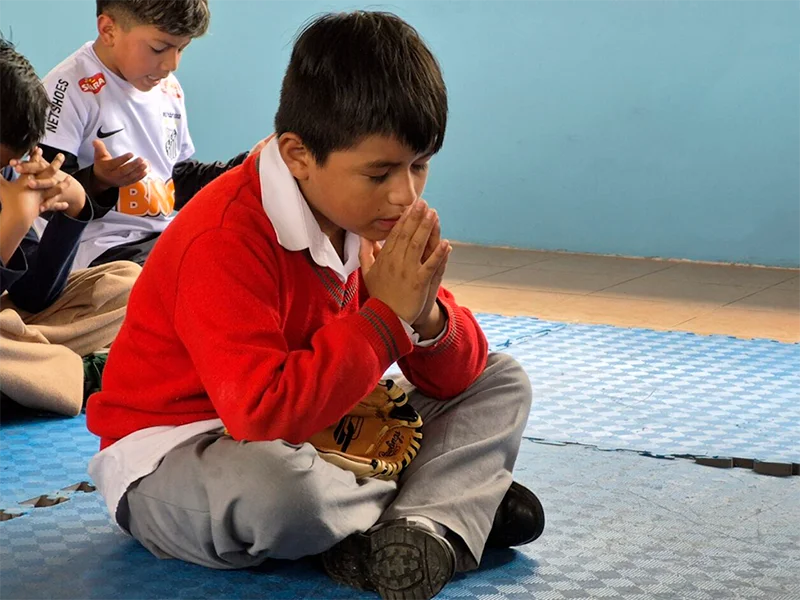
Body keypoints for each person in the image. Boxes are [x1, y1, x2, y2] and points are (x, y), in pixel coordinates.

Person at [86, 12, 544, 600]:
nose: (405, 194)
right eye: (379, 172)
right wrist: (385, 322)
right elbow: (261, 414)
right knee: (282, 496)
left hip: (320, 429)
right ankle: (450, 504)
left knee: (500, 378)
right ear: (299, 155)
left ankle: (419, 526)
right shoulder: (224, 236)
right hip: (184, 454)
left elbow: (457, 374)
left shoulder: (371, 214)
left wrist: (423, 316)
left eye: (419, 166)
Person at [39, 0, 266, 269]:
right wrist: (98, 181)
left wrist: (248, 165)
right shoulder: (66, 87)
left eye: (182, 48)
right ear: (108, 30)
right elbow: (46, 197)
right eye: (159, 48)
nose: (172, 64)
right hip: (100, 250)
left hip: (160, 240)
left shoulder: (169, 88)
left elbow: (174, 180)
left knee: (248, 257)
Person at [0, 39, 139, 416]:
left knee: (128, 283)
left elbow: (33, 297)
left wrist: (74, 210)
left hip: (13, 324)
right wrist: (11, 226)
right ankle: (80, 371)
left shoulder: (6, 171)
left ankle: (43, 369)